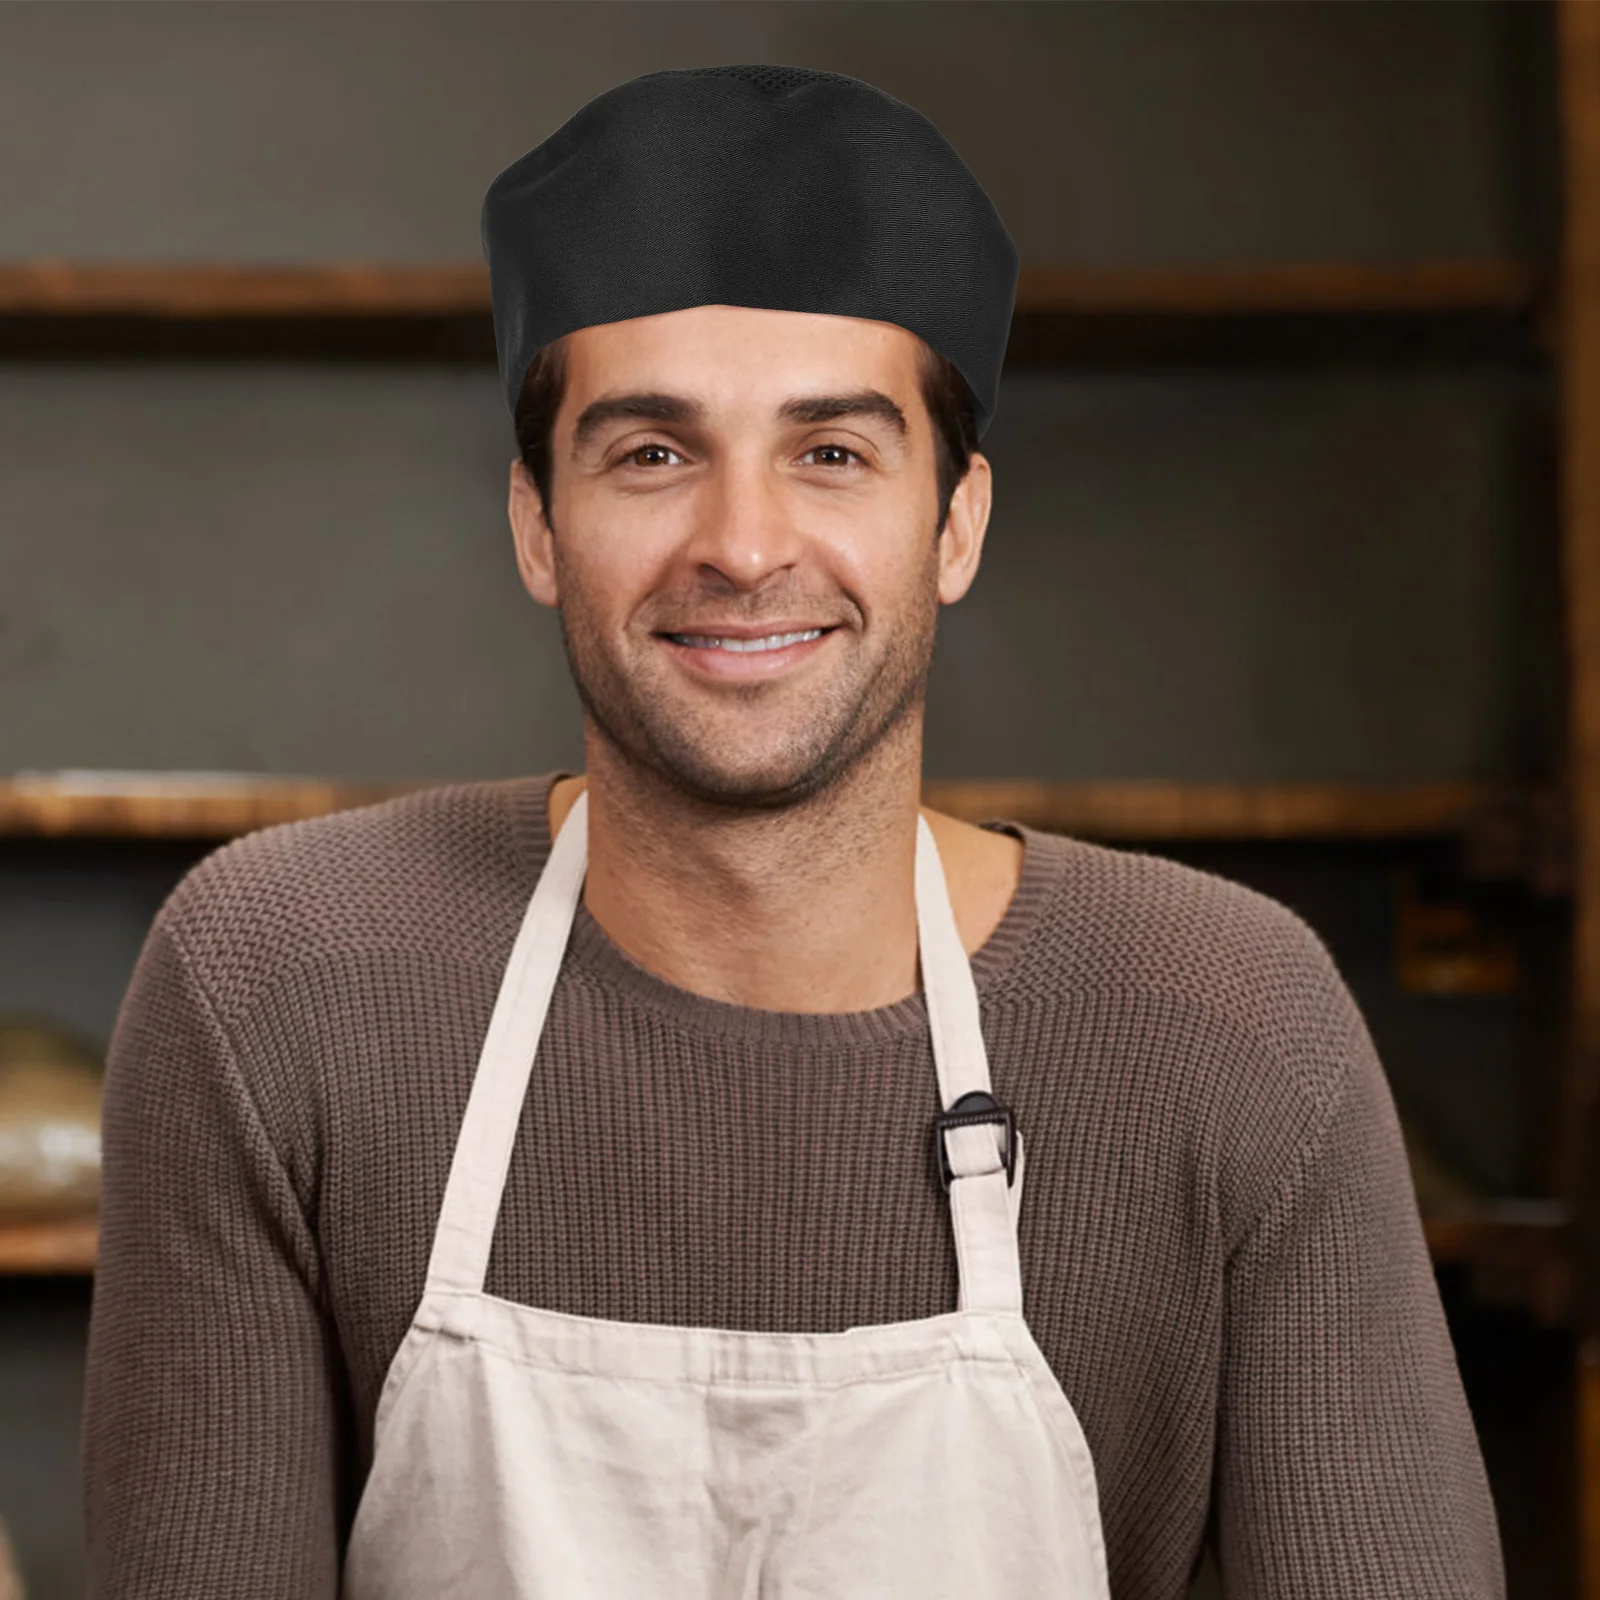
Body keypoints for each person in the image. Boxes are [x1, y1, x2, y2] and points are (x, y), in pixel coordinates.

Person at [82, 63, 1504, 1599]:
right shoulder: (276, 983)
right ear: (537, 526)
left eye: (832, 452)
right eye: (653, 452)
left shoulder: (1229, 1024)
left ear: (954, 522)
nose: (745, 545)